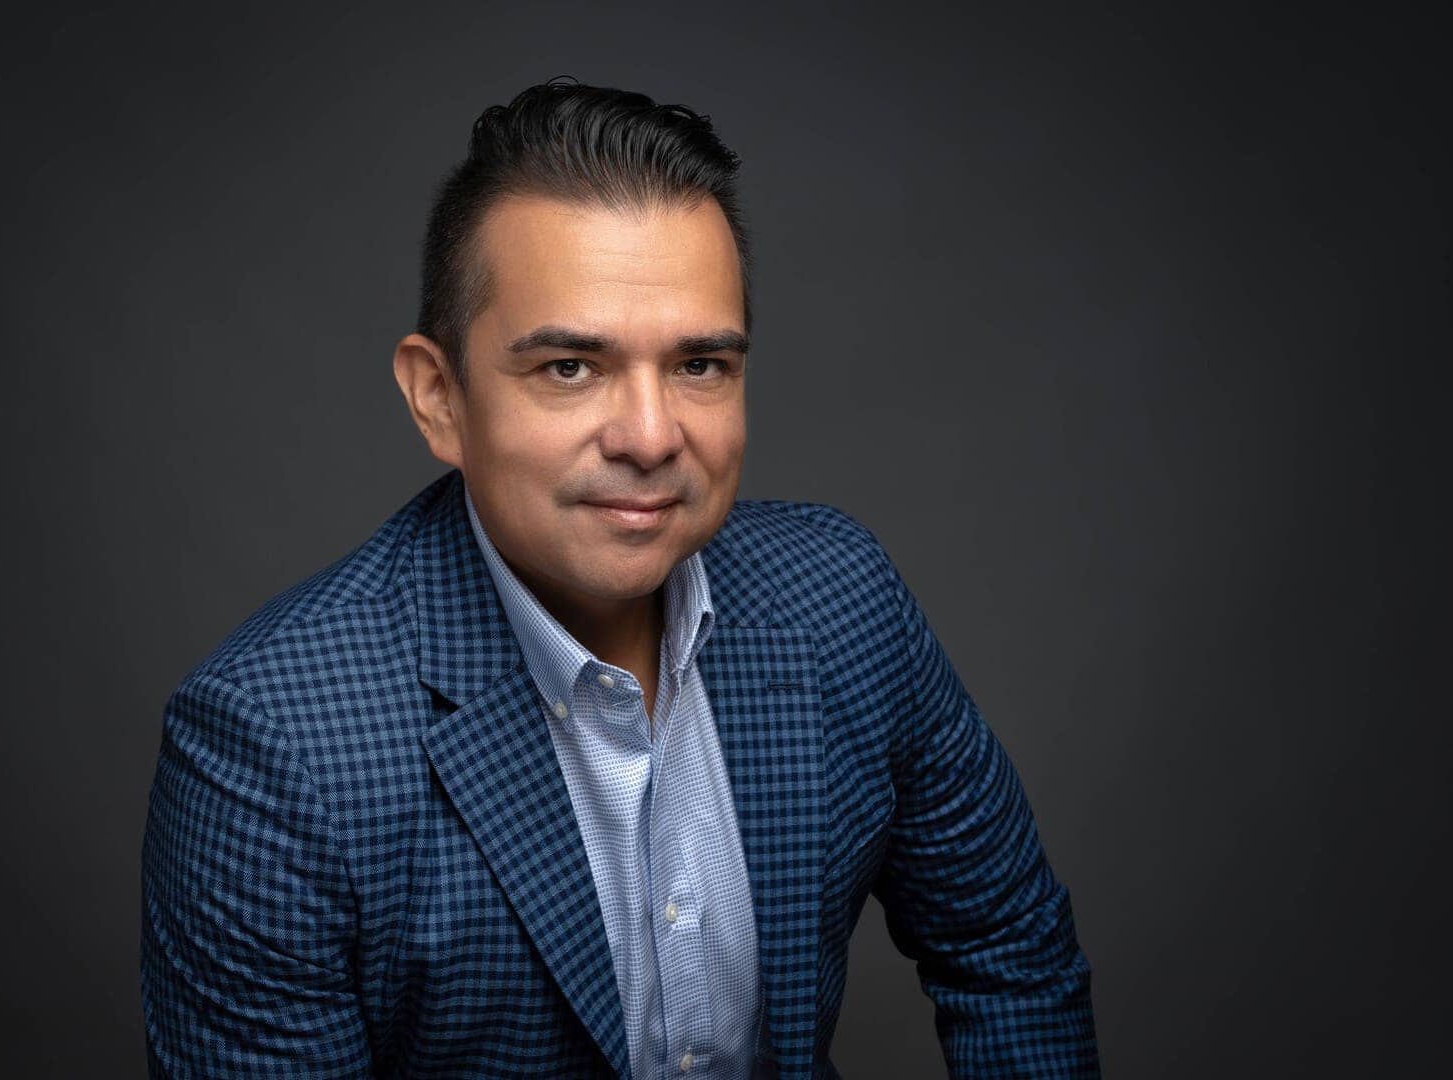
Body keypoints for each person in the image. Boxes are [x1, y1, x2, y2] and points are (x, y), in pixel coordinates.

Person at [140, 78, 1100, 1079]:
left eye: (699, 366)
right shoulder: (272, 750)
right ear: (439, 398)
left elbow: (1006, 945)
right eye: (570, 368)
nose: (651, 438)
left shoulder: (840, 601)